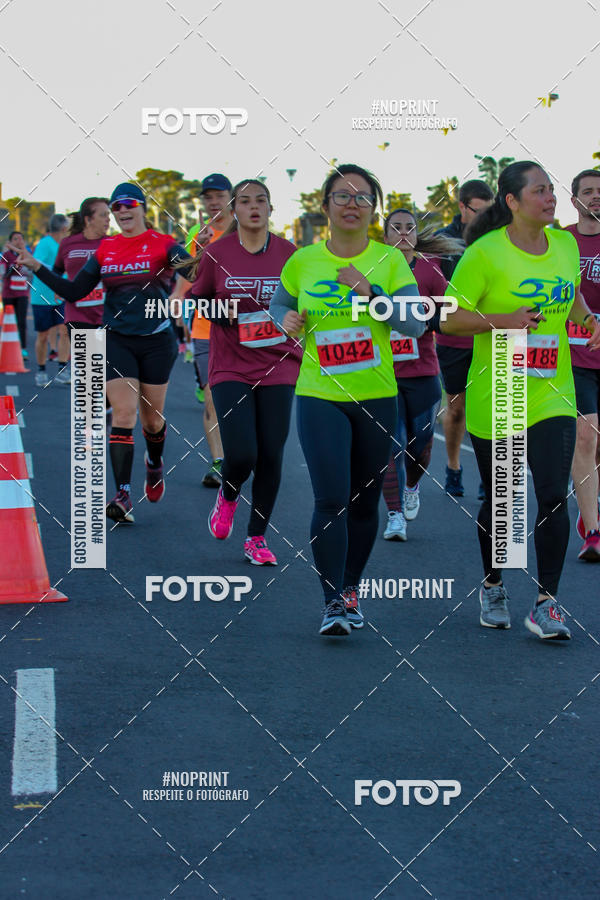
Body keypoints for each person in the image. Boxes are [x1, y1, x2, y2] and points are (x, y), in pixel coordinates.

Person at [438, 161, 600, 640]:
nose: (550, 198)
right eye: (540, 191)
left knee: (552, 494)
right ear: (512, 202)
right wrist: (503, 319)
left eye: (552, 190)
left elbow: (570, 298)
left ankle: (546, 604)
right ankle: (493, 583)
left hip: (552, 388)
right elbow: (447, 318)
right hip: (500, 389)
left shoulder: (567, 245)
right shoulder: (485, 254)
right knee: (504, 502)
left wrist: (590, 321)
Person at [270, 164, 427, 636]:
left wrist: (372, 292)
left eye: (362, 197)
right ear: (326, 206)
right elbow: (280, 304)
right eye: (342, 196)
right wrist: (285, 320)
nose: (352, 204)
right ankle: (332, 601)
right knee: (331, 498)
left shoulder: (390, 261)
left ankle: (351, 588)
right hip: (320, 394)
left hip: (376, 396)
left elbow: (415, 323)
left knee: (363, 504)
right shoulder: (303, 261)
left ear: (373, 209)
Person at [15, 183, 193, 524]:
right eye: (116, 207)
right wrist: (37, 266)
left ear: (142, 207)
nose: (122, 211)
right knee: (123, 413)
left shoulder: (163, 244)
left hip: (157, 340)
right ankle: (122, 494)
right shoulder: (106, 250)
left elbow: (196, 273)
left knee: (152, 420)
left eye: (128, 204)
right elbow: (75, 290)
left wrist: (182, 291)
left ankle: (154, 464)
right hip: (115, 339)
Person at [189, 179, 301, 565]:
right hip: (231, 365)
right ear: (234, 210)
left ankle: (256, 537)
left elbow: (310, 301)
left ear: (271, 208)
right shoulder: (217, 253)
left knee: (271, 453)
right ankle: (229, 494)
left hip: (280, 363)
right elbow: (196, 300)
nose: (254, 207)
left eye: (262, 201)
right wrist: (227, 314)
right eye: (246, 201)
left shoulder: (291, 254)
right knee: (242, 453)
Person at [380, 209, 462, 541]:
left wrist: (425, 318)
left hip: (424, 370)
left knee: (422, 443)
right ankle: (395, 515)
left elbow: (448, 306)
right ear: (385, 235)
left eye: (408, 228)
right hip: (384, 372)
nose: (403, 233)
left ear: (416, 235)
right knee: (393, 445)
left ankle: (413, 484)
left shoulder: (430, 269)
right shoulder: (376, 267)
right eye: (395, 228)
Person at [436, 180, 494, 497]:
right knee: (456, 408)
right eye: (479, 211)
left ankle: (490, 478)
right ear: (462, 207)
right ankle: (454, 467)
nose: (486, 217)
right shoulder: (444, 241)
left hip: (491, 336)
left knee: (493, 410)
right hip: (454, 339)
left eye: (491, 211)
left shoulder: (501, 239)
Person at [186, 174, 234, 487]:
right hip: (206, 329)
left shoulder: (247, 230)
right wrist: (200, 249)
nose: (213, 202)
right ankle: (218, 462)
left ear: (231, 198)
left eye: (219, 196)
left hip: (245, 329)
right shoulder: (197, 233)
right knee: (212, 399)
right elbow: (189, 279)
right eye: (208, 197)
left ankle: (242, 456)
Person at [564, 169, 600, 560]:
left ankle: (594, 506)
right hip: (573, 355)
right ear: (575, 201)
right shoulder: (561, 243)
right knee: (586, 435)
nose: (595, 197)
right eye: (587, 192)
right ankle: (592, 529)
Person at [54, 197, 110, 331]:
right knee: (87, 352)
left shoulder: (112, 243)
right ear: (88, 219)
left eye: (109, 215)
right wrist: (59, 288)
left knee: (105, 352)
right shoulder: (68, 243)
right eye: (103, 215)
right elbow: (57, 270)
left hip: (108, 315)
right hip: (78, 316)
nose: (108, 219)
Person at [27, 215, 71, 385]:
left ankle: (62, 370)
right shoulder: (45, 244)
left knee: (65, 332)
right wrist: (57, 273)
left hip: (60, 296)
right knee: (43, 335)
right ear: (62, 228)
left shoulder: (64, 244)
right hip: (41, 297)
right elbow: (35, 264)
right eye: (67, 226)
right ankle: (41, 371)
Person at [2, 231, 31, 360]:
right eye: (15, 239)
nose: (18, 241)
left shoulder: (26, 255)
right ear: (10, 242)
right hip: (9, 293)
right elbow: (3, 274)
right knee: (8, 322)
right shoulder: (5, 255)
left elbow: (31, 272)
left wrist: (26, 268)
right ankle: (6, 349)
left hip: (22, 293)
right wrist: (13, 267)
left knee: (22, 322)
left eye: (20, 239)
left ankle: (23, 349)